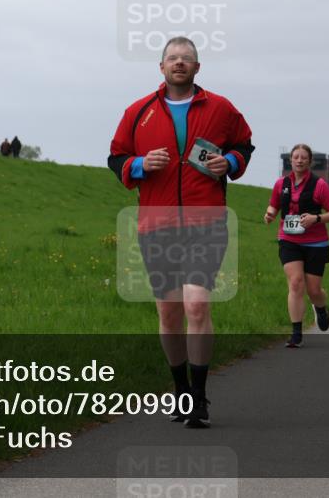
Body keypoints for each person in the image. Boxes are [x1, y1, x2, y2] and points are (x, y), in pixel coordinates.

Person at [108, 36, 254, 429]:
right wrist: (139, 164)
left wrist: (232, 162)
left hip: (206, 222)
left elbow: (244, 144)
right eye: (172, 58)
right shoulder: (138, 112)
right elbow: (115, 156)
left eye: (186, 59)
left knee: (196, 304)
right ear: (161, 67)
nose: (179, 63)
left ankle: (200, 397)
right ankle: (181, 393)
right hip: (156, 226)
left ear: (197, 67)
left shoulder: (221, 108)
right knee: (169, 313)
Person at [263, 144, 329, 348]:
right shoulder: (281, 183)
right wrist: (270, 213)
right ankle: (296, 333)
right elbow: (274, 204)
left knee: (314, 291)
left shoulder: (319, 185)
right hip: (289, 240)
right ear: (290, 160)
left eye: (303, 157)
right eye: (296, 157)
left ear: (310, 161)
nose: (299, 160)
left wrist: (315, 218)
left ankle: (321, 307)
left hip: (316, 243)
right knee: (296, 283)